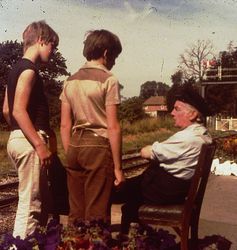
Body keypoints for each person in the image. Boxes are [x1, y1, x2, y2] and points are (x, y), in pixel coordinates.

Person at [112, 84, 213, 235]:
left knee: (109, 192)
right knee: (126, 201)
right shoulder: (203, 135)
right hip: (174, 189)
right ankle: (138, 238)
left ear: (192, 114)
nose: (171, 112)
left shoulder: (187, 138)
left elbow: (145, 152)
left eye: (177, 109)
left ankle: (96, 231)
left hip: (160, 191)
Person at [60, 29, 125, 224]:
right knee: (97, 211)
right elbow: (113, 127)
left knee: (76, 212)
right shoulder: (109, 80)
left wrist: (70, 150)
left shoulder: (69, 81)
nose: (114, 61)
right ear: (106, 53)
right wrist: (118, 168)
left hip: (74, 144)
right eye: (114, 56)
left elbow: (64, 124)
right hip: (98, 145)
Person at [2, 20, 59, 239]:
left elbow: (6, 110)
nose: (52, 52)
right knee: (31, 205)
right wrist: (38, 144)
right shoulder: (29, 70)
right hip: (31, 142)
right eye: (52, 46)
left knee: (39, 202)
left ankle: (37, 243)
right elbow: (17, 110)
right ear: (41, 40)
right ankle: (20, 246)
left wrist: (18, 133)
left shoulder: (14, 70)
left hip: (18, 139)